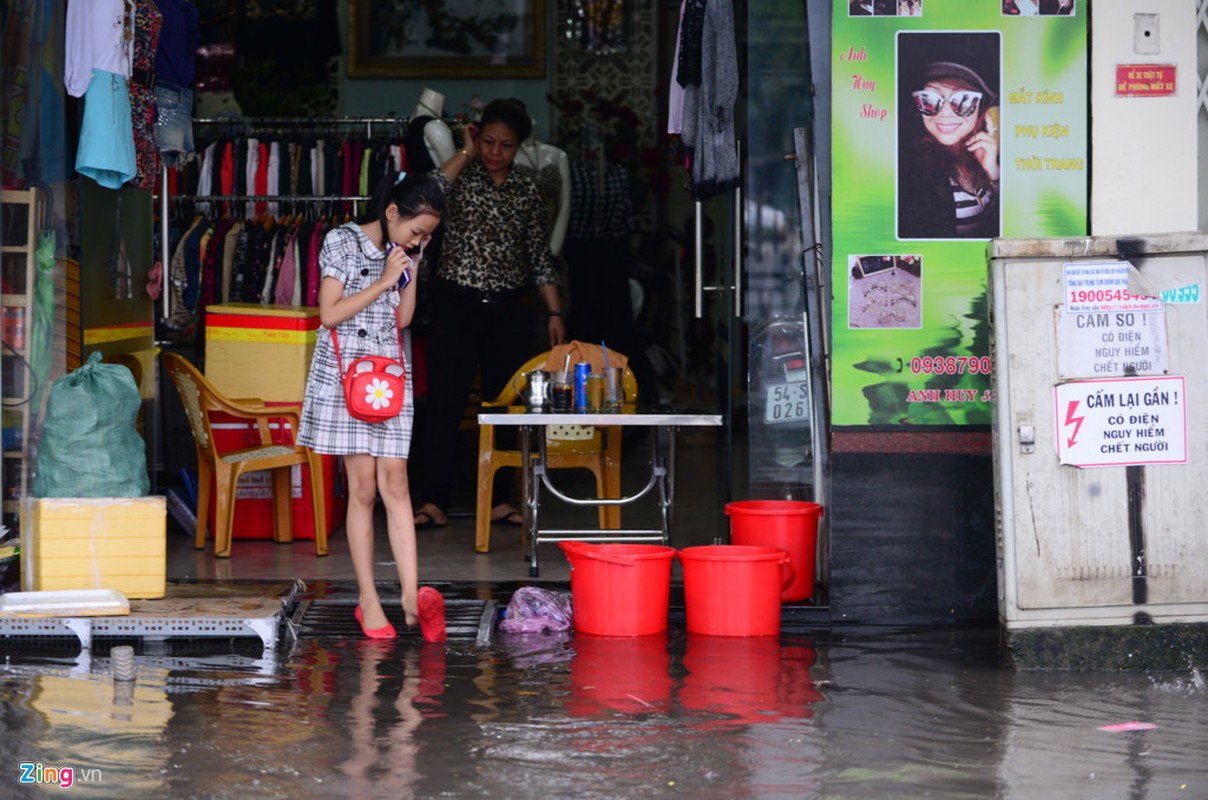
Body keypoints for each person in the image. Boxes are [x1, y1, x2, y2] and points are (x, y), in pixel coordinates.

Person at [297, 171, 448, 642]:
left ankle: (408, 597)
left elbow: (402, 319)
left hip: (387, 378)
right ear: (391, 212)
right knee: (362, 489)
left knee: (397, 482)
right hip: (346, 380)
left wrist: (412, 272)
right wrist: (386, 279)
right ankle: (368, 599)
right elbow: (328, 314)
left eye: (427, 236)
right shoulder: (341, 242)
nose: (420, 239)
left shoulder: (405, 253)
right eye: (417, 231)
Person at [411, 98, 567, 531]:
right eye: (489, 142)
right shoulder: (460, 177)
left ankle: (501, 500)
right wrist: (465, 151)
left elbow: (539, 255)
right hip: (454, 305)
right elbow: (424, 194)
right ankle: (434, 501)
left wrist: (554, 311)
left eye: (506, 145)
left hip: (509, 310)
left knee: (505, 406)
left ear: (519, 146)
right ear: (477, 137)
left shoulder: (527, 188)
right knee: (445, 403)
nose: (496, 152)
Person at [898, 57, 1000, 239]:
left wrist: (992, 173)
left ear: (981, 107)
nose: (944, 113)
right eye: (928, 99)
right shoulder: (908, 172)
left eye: (963, 99)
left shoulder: (980, 153)